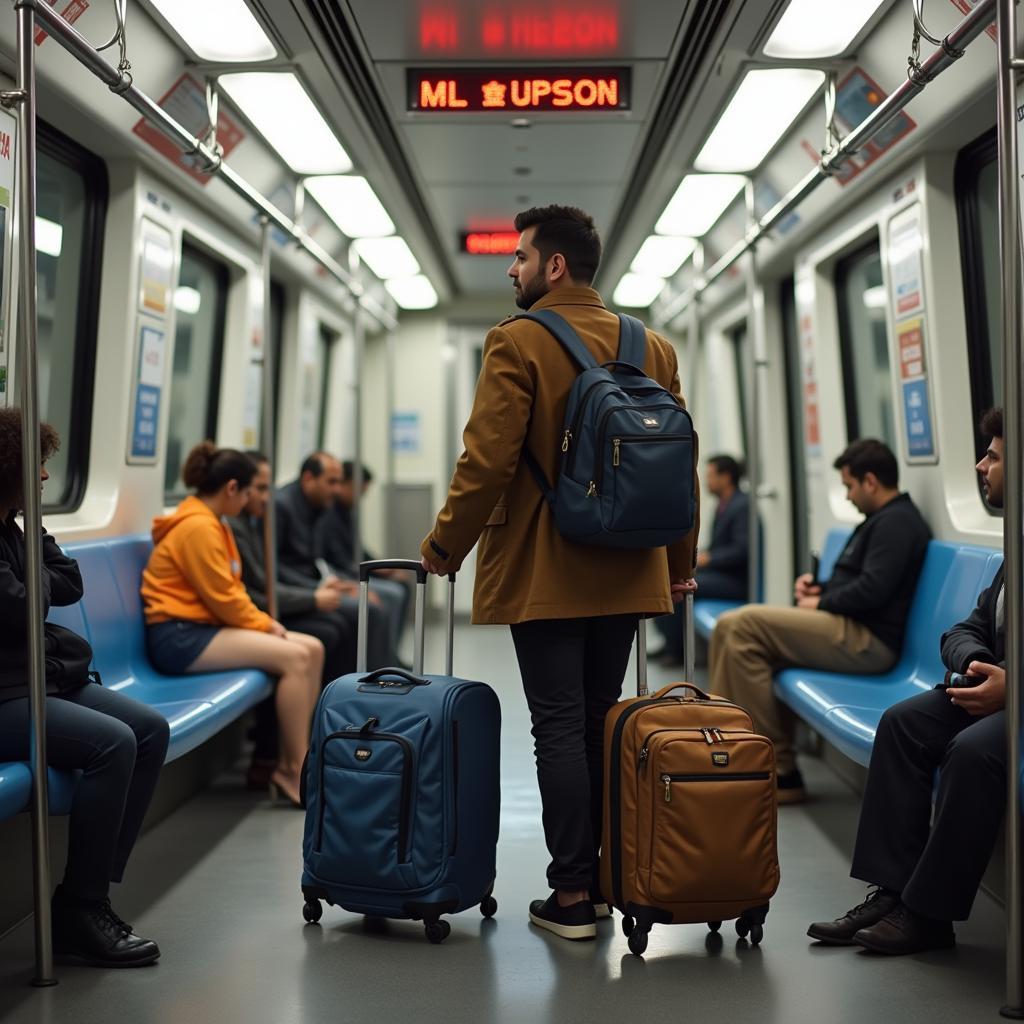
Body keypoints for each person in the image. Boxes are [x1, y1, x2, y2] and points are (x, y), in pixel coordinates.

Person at [419, 204, 699, 942]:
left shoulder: (516, 342)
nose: (508, 268)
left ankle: (572, 892)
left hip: (549, 567)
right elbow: (679, 469)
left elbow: (486, 462)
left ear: (554, 267)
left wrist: (445, 546)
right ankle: (607, 877)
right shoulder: (655, 347)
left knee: (558, 726)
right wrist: (679, 567)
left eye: (518, 257)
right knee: (603, 720)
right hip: (631, 563)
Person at [809, 408, 1005, 955]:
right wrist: (976, 662)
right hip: (993, 686)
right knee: (902, 723)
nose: (980, 464)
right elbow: (968, 626)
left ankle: (929, 914)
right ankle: (892, 891)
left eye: (993, 455)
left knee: (970, 753)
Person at [0, 408, 167, 967]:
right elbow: (21, 605)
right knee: (111, 743)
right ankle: (83, 906)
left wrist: (32, 576)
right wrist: (35, 579)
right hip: (6, 694)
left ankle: (86, 895)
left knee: (148, 729)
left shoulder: (14, 527)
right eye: (38, 467)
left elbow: (68, 583)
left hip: (39, 677)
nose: (46, 479)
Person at [709, 439, 931, 804]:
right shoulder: (880, 520)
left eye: (850, 486)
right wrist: (820, 586)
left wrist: (821, 601)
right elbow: (859, 581)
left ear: (871, 481)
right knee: (733, 632)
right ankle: (739, 754)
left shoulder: (897, 524)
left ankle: (774, 766)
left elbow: (873, 590)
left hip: (866, 641)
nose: (847, 496)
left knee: (744, 624)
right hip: (848, 628)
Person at [141, 442, 322, 806]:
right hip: (179, 636)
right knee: (296, 658)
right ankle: (291, 767)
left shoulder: (214, 524)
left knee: (313, 648)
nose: (254, 501)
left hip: (203, 628)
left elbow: (229, 593)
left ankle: (302, 759)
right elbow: (224, 599)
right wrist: (266, 624)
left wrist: (263, 623)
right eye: (251, 491)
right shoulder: (198, 529)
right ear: (232, 488)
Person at [228, 452, 357, 789]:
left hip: (256, 613)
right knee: (318, 637)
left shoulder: (251, 523)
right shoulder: (233, 529)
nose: (266, 498)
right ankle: (276, 755)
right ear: (235, 489)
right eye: (258, 488)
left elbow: (266, 582)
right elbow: (248, 592)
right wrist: (310, 599)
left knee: (328, 632)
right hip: (241, 620)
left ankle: (302, 747)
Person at [275, 452, 395, 668]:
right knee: (368, 610)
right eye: (331, 482)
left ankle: (380, 668)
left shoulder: (318, 506)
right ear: (309, 478)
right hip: (297, 589)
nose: (337, 490)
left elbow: (317, 559)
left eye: (339, 482)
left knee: (372, 605)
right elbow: (275, 567)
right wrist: (319, 587)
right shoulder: (282, 507)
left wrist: (335, 581)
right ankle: (372, 679)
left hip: (315, 582)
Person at [654, 453, 750, 663]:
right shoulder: (724, 504)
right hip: (721, 574)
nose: (707, 482)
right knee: (671, 580)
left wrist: (709, 559)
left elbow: (741, 550)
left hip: (735, 581)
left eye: (711, 476)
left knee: (683, 587)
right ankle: (669, 643)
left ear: (726, 477)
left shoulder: (741, 506)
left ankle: (676, 651)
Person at [315, 460, 410, 657]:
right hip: (340, 573)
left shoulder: (347, 511)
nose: (361, 497)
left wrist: (382, 566)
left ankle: (390, 654)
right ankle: (382, 659)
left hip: (349, 569)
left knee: (402, 586)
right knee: (393, 594)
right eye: (359, 491)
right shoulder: (329, 513)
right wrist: (361, 579)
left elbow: (358, 549)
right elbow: (336, 560)